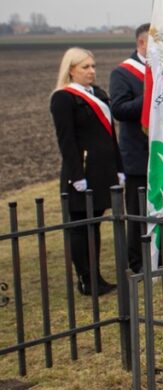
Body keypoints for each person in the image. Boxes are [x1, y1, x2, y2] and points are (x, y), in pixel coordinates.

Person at [50, 48, 123, 296]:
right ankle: (85, 279)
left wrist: (119, 167)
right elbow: (66, 141)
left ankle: (96, 276)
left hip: (103, 170)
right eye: (85, 67)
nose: (91, 71)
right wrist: (76, 176)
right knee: (81, 226)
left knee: (95, 224)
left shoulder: (98, 94)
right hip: (82, 171)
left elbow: (111, 135)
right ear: (71, 70)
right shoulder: (63, 98)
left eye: (92, 66)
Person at [108, 23, 149, 273]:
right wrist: (152, 96)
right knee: (137, 209)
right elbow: (120, 110)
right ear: (142, 43)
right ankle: (138, 260)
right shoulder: (123, 73)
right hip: (137, 152)